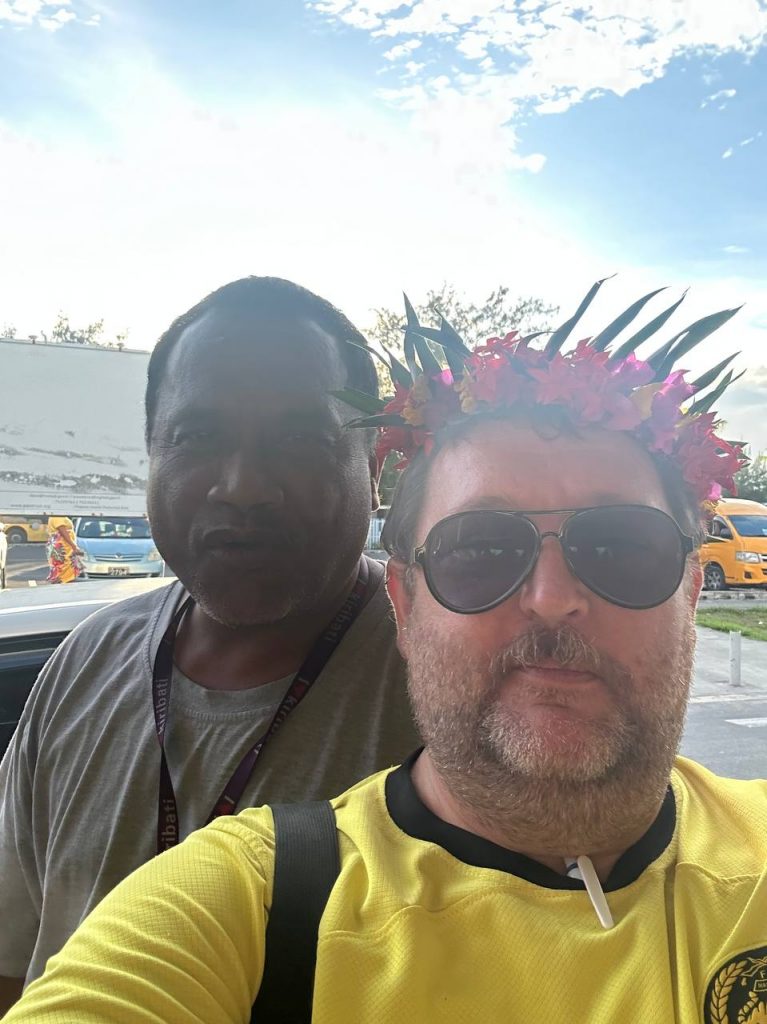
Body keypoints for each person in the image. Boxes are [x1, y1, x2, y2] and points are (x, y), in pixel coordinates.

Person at [6, 284, 767, 1024]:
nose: (243, 487)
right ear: (409, 603)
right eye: (480, 550)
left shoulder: (487, 685)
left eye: (621, 547)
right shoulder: (86, 664)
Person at [0, 277, 419, 1012]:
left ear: (374, 467)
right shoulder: (88, 659)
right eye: (197, 437)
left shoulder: (448, 679)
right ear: (151, 456)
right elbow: (11, 956)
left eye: (299, 440)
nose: (243, 486)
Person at [44, 516, 83, 584]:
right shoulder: (58, 516)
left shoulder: (58, 516)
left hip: (62, 546)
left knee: (62, 570)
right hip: (63, 547)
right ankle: (61, 586)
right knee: (63, 569)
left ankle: (61, 584)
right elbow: (63, 531)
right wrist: (74, 546)